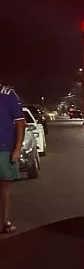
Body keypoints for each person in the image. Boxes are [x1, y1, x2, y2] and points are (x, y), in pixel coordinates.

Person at [0, 84, 26, 233]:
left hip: (4, 149)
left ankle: (5, 221)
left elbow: (20, 123)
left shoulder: (8, 94)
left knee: (4, 187)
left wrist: (17, 148)